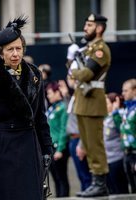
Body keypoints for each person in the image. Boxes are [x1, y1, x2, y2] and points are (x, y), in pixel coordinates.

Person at [0, 16, 53, 200]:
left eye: (19, 48)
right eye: (10, 49)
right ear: (1, 53)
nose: (15, 53)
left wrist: (47, 149)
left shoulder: (35, 74)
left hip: (29, 148)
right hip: (1, 150)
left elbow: (40, 116)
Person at [66, 13, 111, 197]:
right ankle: (95, 181)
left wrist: (74, 69)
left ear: (99, 28)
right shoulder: (87, 49)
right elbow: (73, 71)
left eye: (90, 25)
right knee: (87, 144)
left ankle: (100, 183)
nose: (85, 28)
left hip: (93, 102)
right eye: (85, 24)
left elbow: (86, 75)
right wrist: (72, 59)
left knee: (94, 144)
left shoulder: (100, 49)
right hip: (83, 102)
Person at [45, 81, 70, 197]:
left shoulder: (63, 108)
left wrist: (60, 149)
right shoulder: (52, 108)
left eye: (50, 93)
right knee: (55, 179)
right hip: (50, 148)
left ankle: (64, 198)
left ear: (57, 92)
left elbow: (63, 130)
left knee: (61, 178)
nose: (48, 96)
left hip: (58, 148)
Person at [112, 79, 136, 193]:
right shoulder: (127, 108)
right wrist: (116, 112)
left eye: (126, 91)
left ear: (135, 91)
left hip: (135, 153)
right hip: (127, 153)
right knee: (132, 187)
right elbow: (121, 128)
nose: (123, 93)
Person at [104, 93, 129, 194]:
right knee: (112, 190)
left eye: (107, 103)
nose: (105, 106)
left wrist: (116, 111)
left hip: (117, 158)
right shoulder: (107, 117)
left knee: (120, 190)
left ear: (114, 103)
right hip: (108, 159)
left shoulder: (118, 115)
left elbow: (122, 130)